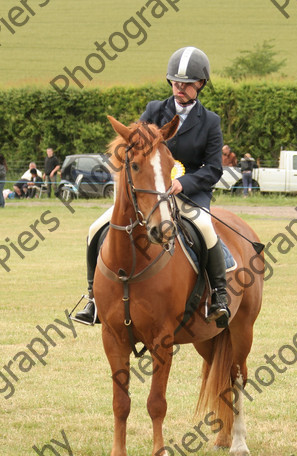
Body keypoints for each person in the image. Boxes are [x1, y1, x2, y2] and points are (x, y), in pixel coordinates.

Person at [75, 46, 230, 329]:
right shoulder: (154, 110)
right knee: (96, 228)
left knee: (206, 228)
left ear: (201, 85)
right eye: (174, 82)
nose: (179, 88)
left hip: (188, 194)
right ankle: (92, 299)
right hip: (148, 193)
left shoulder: (210, 122)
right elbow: (133, 149)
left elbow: (214, 169)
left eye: (185, 84)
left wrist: (182, 182)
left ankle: (219, 296)